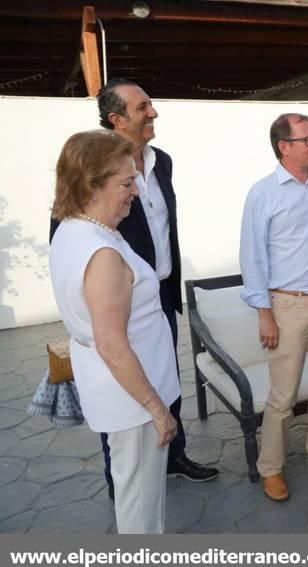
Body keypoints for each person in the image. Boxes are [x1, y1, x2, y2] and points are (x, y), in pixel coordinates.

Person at [51, 79, 218, 499]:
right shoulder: (94, 169)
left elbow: (163, 225)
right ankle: (123, 479)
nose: (154, 113)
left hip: (158, 290)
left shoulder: (162, 162)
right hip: (119, 297)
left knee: (165, 377)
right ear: (116, 119)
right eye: (143, 107)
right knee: (125, 388)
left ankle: (171, 455)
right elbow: (70, 230)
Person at [49, 130, 179, 533]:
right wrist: (158, 410)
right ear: (92, 185)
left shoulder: (73, 228)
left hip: (122, 393)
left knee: (137, 497)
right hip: (135, 402)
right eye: (126, 183)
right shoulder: (101, 252)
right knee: (141, 509)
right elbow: (112, 344)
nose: (136, 191)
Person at [240, 113, 308, 501]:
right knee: (282, 397)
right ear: (284, 146)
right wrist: (264, 313)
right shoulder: (263, 193)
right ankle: (271, 468)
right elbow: (252, 258)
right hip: (286, 306)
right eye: (307, 139)